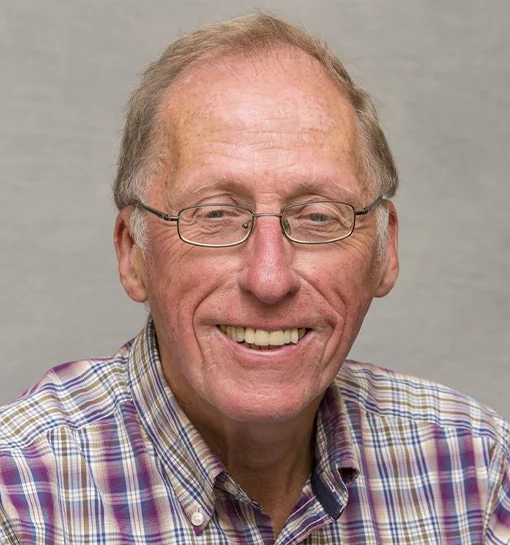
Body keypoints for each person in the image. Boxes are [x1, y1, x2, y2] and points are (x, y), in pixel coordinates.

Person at [1, 12, 509, 544]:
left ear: (385, 250)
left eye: (318, 217)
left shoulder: (477, 471)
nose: (269, 279)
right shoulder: (19, 501)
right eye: (216, 215)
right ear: (133, 254)